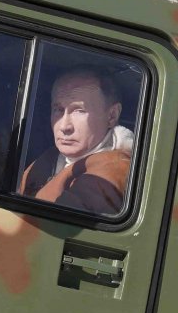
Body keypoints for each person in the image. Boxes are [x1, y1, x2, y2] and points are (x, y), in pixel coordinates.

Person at [18, 66, 134, 215]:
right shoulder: (50, 159)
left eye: (79, 111)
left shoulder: (108, 174)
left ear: (112, 116)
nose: (64, 126)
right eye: (58, 110)